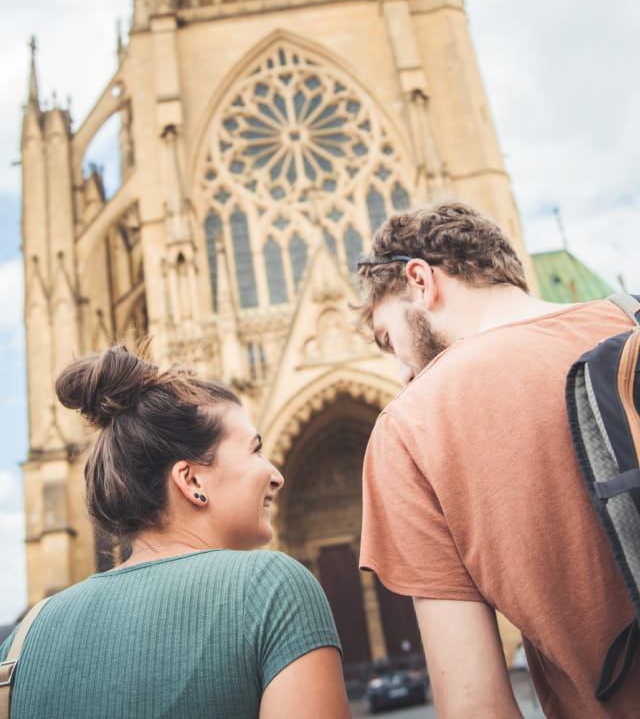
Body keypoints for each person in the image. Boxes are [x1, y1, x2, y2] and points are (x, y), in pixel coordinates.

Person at [355, 201, 640, 718]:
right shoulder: (631, 320)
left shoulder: (411, 425)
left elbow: (476, 706)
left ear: (420, 280)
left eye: (388, 340)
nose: (402, 372)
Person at [0, 344, 350, 719]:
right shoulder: (272, 588)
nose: (276, 476)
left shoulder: (24, 636)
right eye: (255, 450)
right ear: (191, 480)